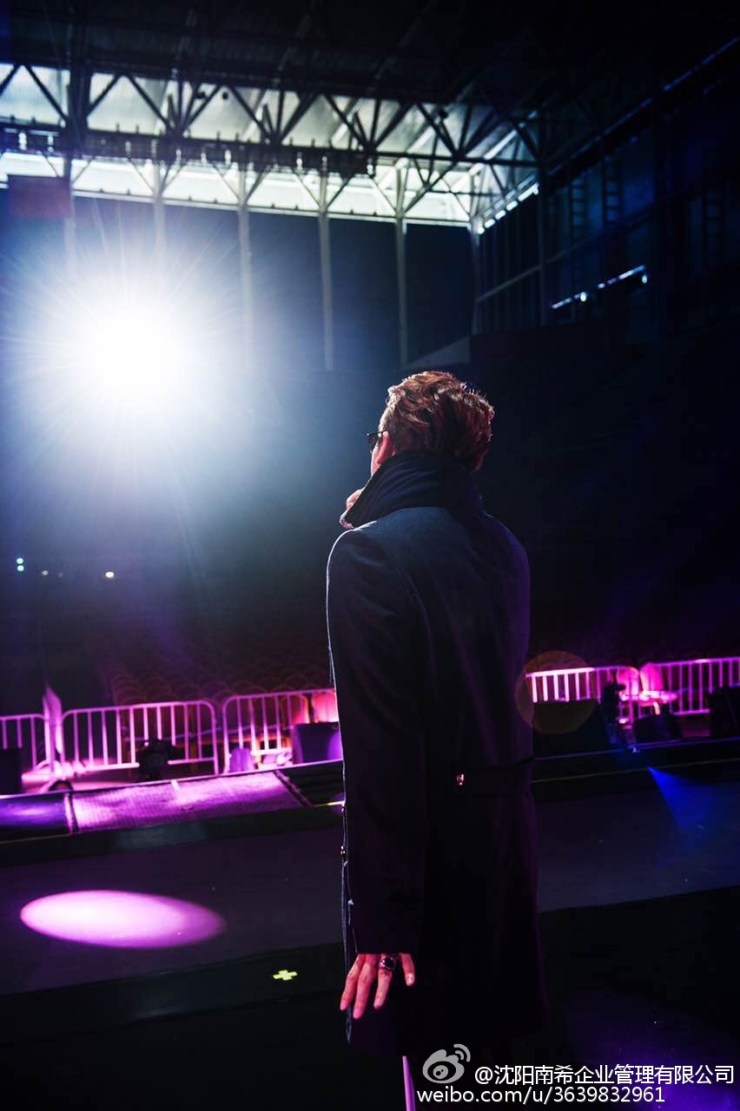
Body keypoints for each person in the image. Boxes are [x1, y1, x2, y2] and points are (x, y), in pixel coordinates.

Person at [326, 371, 547, 1106]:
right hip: (504, 850)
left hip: (426, 871)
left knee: (439, 1075)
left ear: (388, 445)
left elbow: (382, 751)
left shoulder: (369, 553)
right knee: (486, 1073)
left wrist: (382, 919)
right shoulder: (504, 544)